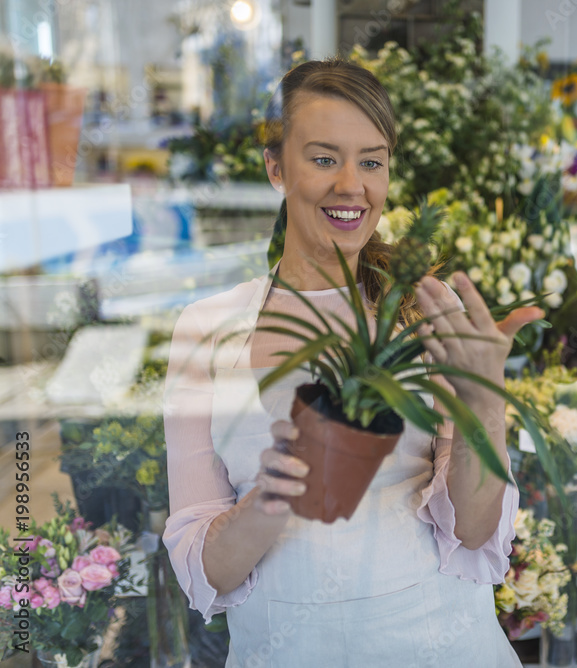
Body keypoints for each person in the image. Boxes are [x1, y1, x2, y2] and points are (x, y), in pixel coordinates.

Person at [162, 58, 543, 667]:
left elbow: (472, 531)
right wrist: (274, 492)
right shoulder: (206, 330)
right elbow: (209, 571)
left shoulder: (425, 310)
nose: (351, 185)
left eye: (372, 160)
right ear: (275, 168)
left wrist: (485, 400)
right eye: (323, 158)